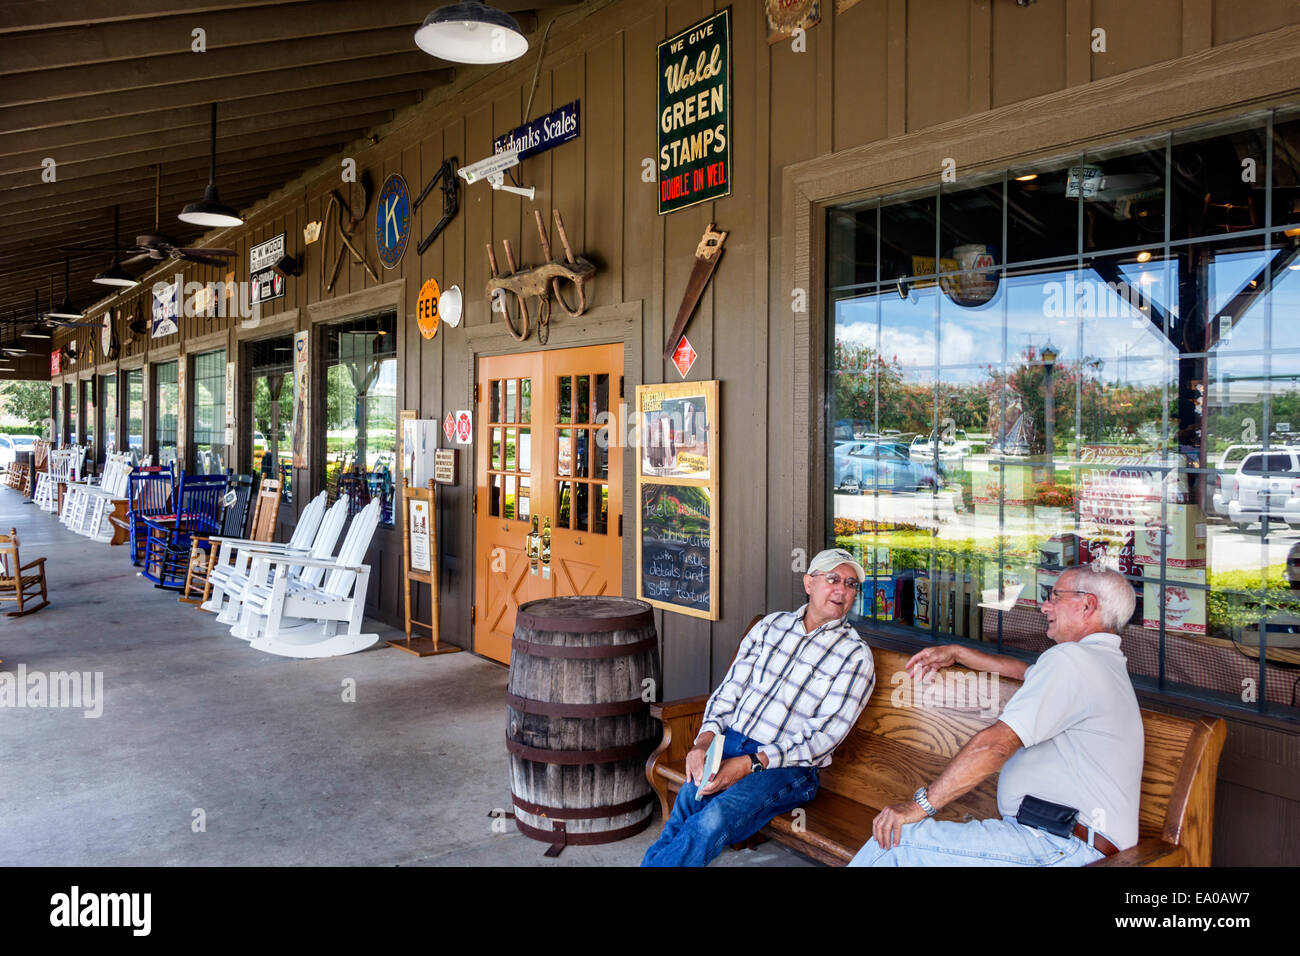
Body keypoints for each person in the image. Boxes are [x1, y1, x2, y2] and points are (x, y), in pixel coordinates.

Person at [849, 564, 1142, 866]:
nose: (1045, 606)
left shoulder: (1073, 660)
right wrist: (958, 653)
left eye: (1054, 596)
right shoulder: (1098, 662)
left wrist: (919, 806)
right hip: (1060, 842)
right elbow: (1023, 671)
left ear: (1087, 604)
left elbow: (995, 746)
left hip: (1063, 848)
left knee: (898, 842)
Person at [641, 548, 876, 867]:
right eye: (833, 579)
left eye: (851, 585)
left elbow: (821, 738)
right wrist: (704, 742)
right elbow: (730, 690)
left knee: (711, 821)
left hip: (789, 767)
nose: (843, 590)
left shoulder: (855, 656)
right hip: (730, 742)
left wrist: (746, 764)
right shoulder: (770, 627)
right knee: (684, 809)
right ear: (809, 583)